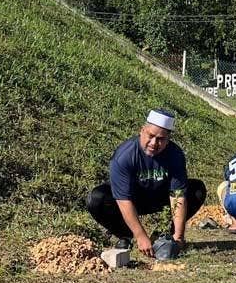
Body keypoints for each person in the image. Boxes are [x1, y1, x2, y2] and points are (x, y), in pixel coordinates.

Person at [86, 109, 206, 258]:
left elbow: (177, 196)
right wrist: (140, 235)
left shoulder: (175, 155)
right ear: (142, 131)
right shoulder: (125, 155)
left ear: (168, 139)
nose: (154, 143)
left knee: (197, 189)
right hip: (132, 200)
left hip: (159, 197)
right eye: (151, 136)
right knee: (97, 198)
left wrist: (179, 236)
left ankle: (166, 236)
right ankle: (125, 235)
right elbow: (124, 200)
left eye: (161, 139)